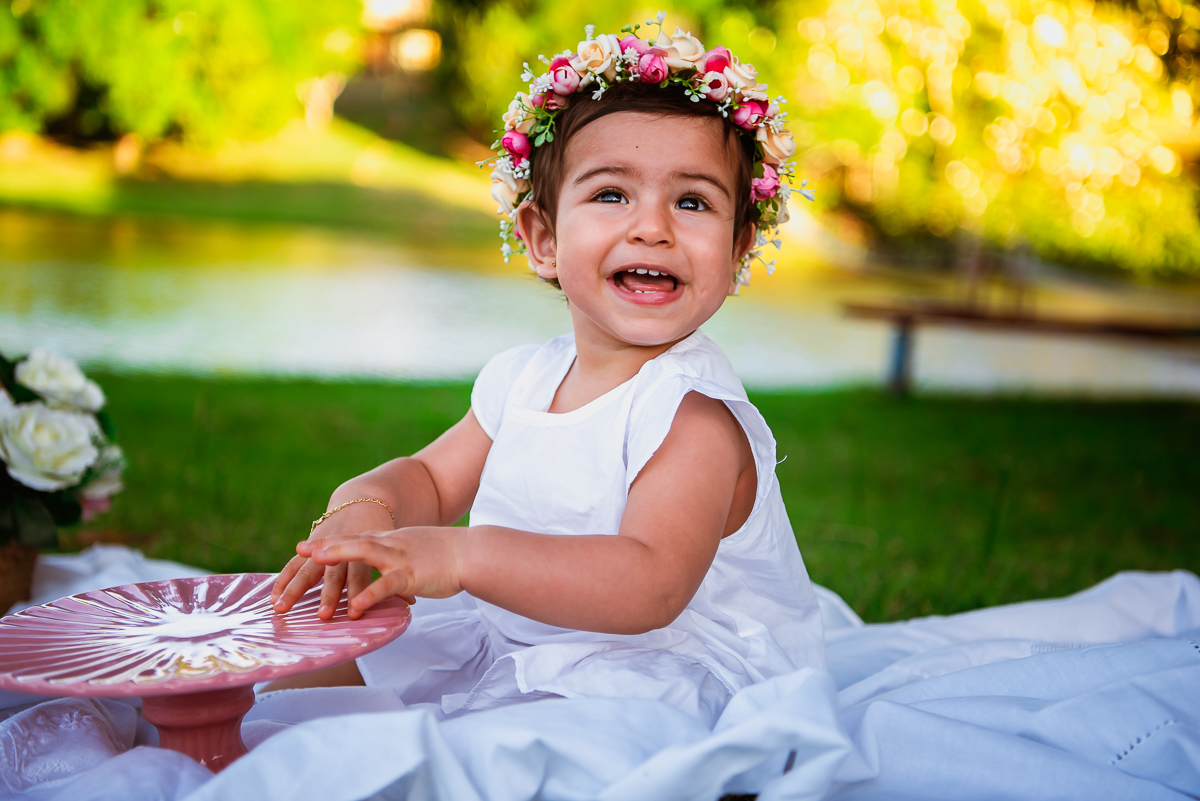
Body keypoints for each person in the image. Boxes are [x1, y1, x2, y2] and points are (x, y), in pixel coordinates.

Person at [268, 15, 825, 726]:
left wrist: (465, 557)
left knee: (521, 738)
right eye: (612, 194)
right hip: (527, 640)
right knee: (314, 646)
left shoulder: (693, 414)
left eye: (692, 201)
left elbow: (649, 583)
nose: (652, 227)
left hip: (662, 668)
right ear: (542, 238)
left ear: (739, 247)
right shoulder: (523, 379)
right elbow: (434, 479)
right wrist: (366, 505)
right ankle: (279, 745)